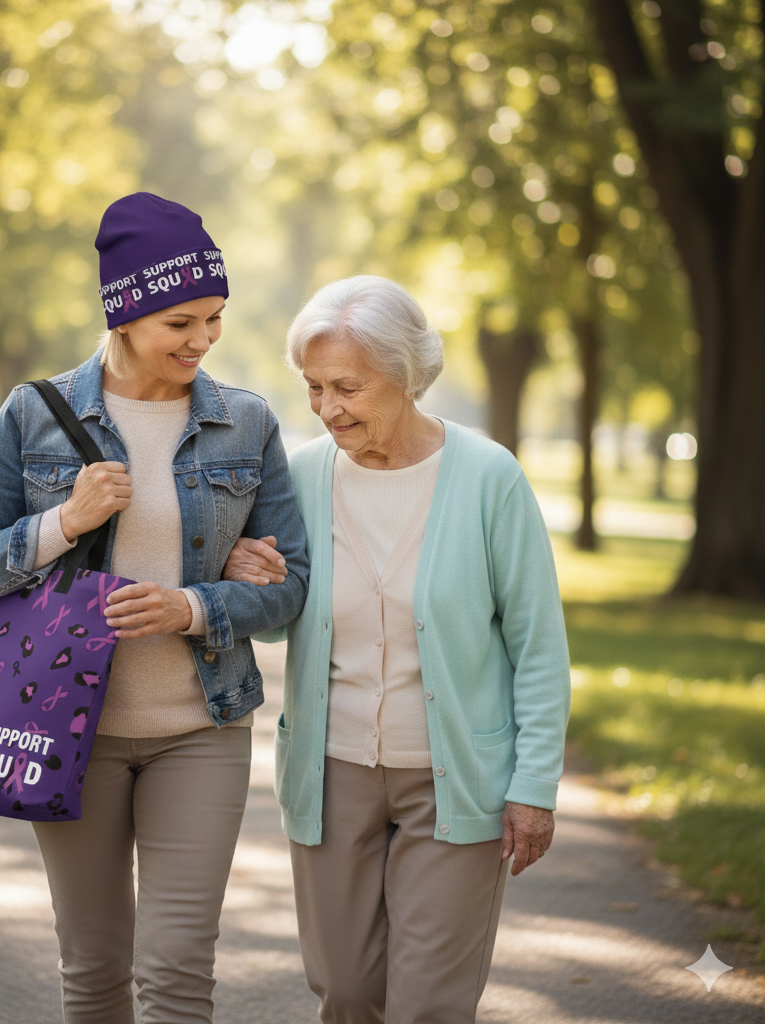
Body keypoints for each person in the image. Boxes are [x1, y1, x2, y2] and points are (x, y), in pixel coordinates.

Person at [0, 192, 309, 1024]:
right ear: (126, 312)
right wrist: (63, 522)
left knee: (179, 968)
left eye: (214, 319)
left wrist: (193, 605)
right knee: (96, 964)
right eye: (181, 321)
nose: (203, 340)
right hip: (72, 729)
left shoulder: (244, 422)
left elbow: (291, 590)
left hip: (200, 727)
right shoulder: (35, 414)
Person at [224, 275, 571, 1024]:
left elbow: (537, 646)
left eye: (347, 386)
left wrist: (534, 784)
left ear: (407, 375)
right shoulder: (303, 475)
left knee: (427, 1005)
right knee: (346, 992)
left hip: (455, 780)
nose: (326, 408)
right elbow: (286, 618)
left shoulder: (488, 479)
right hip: (331, 770)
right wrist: (249, 577)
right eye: (314, 387)